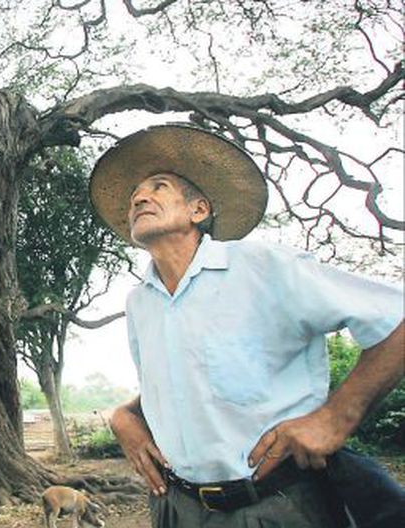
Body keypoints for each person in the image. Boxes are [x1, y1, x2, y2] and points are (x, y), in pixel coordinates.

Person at [88, 125, 404, 527]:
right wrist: (124, 416)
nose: (139, 197)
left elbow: (397, 317)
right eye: (135, 195)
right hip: (177, 508)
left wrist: (336, 417)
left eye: (158, 186)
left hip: (277, 504)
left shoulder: (261, 267)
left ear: (198, 210)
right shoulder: (140, 303)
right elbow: (182, 378)